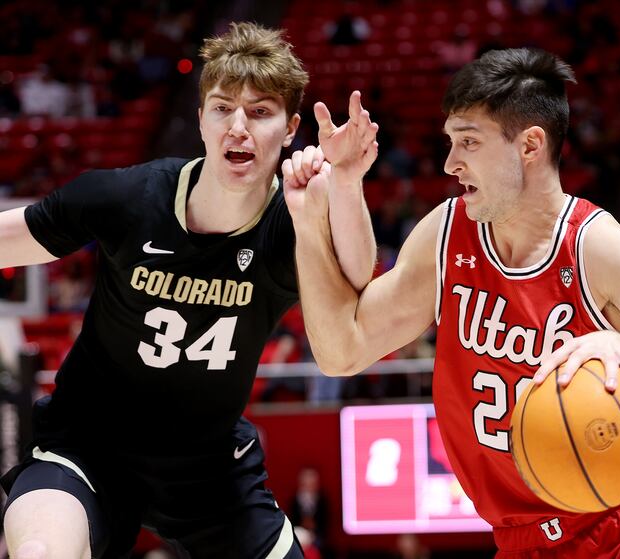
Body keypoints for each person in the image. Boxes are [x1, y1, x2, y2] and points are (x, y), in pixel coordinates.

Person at [286, 47, 620, 557]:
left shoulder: (599, 248)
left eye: (468, 142)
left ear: (530, 146)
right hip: (523, 542)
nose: (451, 163)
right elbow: (343, 349)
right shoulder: (447, 235)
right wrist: (308, 218)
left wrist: (617, 346)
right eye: (451, 142)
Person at [0, 22, 378, 559]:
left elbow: (359, 275)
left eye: (261, 111)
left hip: (209, 468)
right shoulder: (128, 197)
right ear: (200, 118)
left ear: (292, 129)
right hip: (86, 447)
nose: (238, 127)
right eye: (223, 108)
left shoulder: (291, 218)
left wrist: (345, 181)